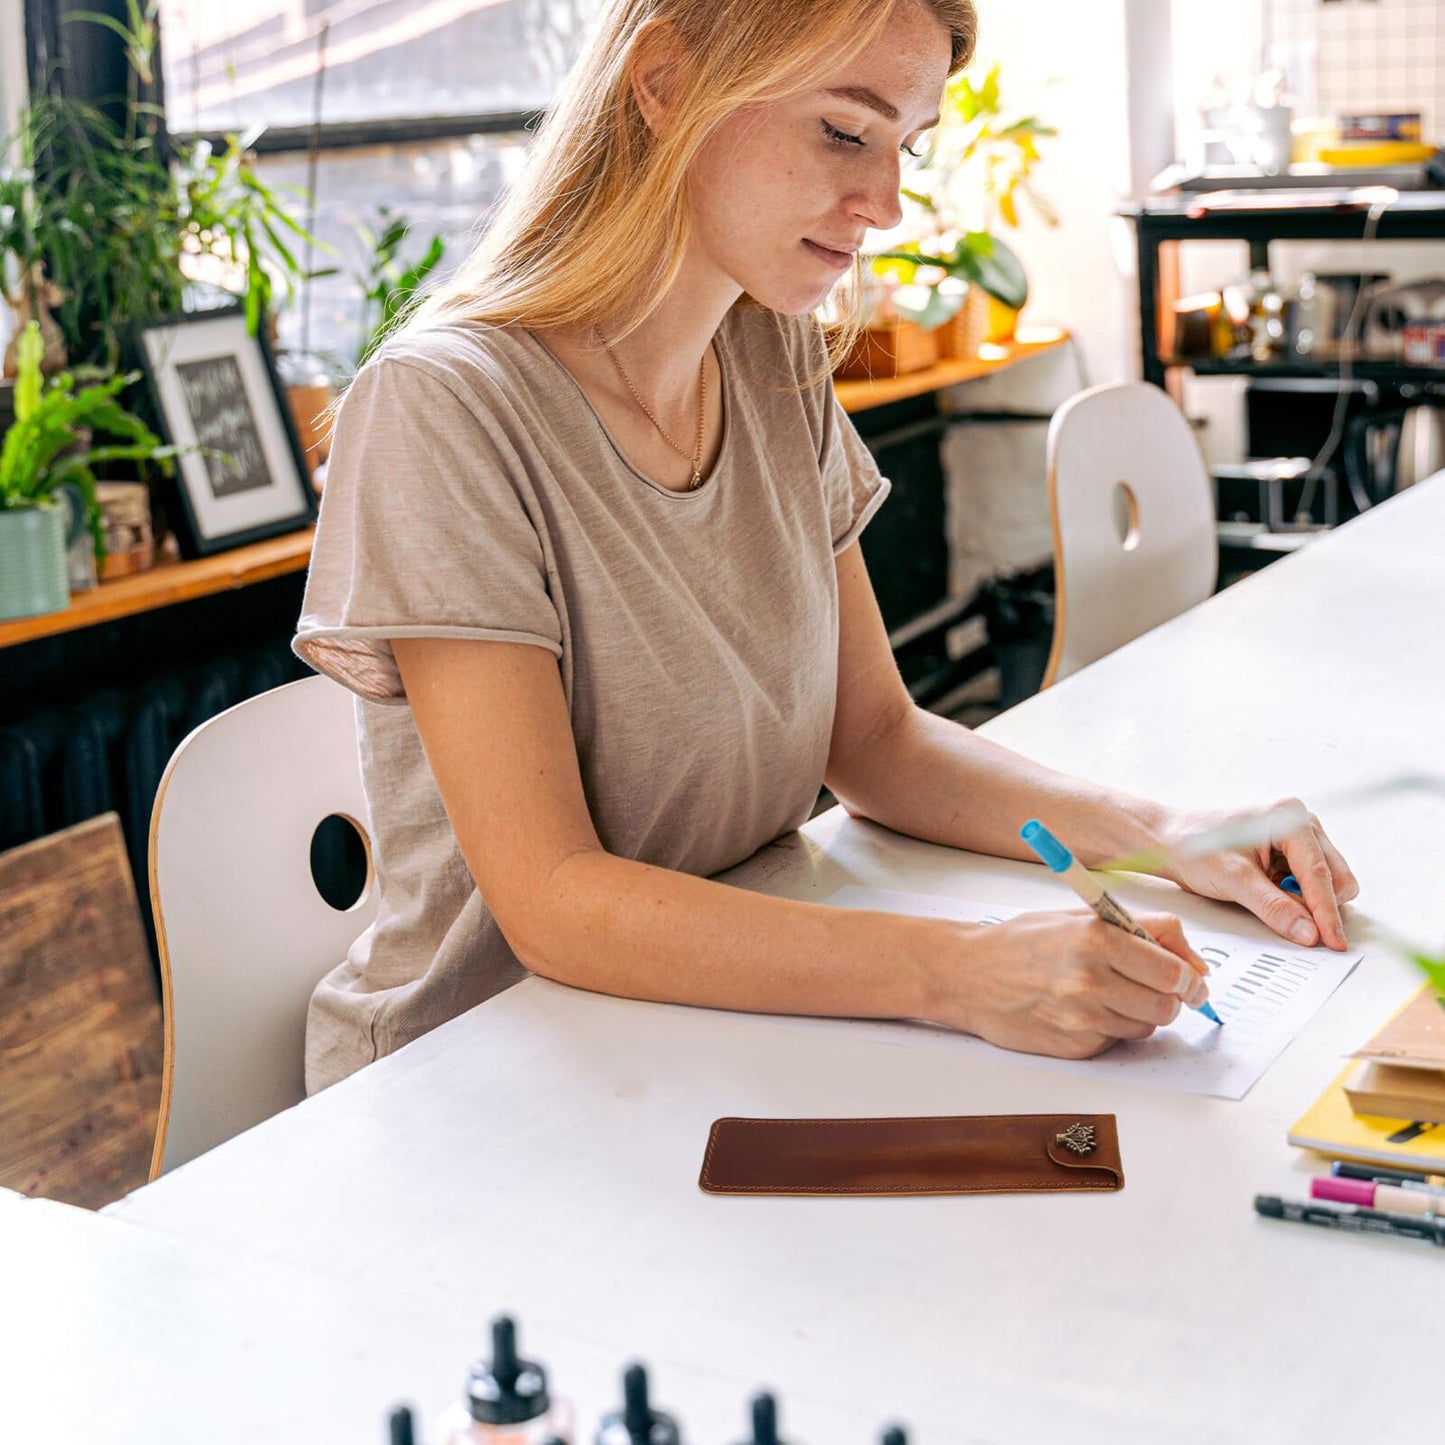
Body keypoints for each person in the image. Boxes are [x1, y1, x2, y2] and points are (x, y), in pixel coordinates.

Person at [294, 0, 1357, 1093]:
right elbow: (555, 902)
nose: (886, 203)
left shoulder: (768, 355)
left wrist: (1163, 832)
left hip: (697, 1042)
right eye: (843, 132)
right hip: (482, 1081)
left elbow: (877, 741)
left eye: (904, 145)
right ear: (660, 82)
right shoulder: (442, 407)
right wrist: (965, 972)